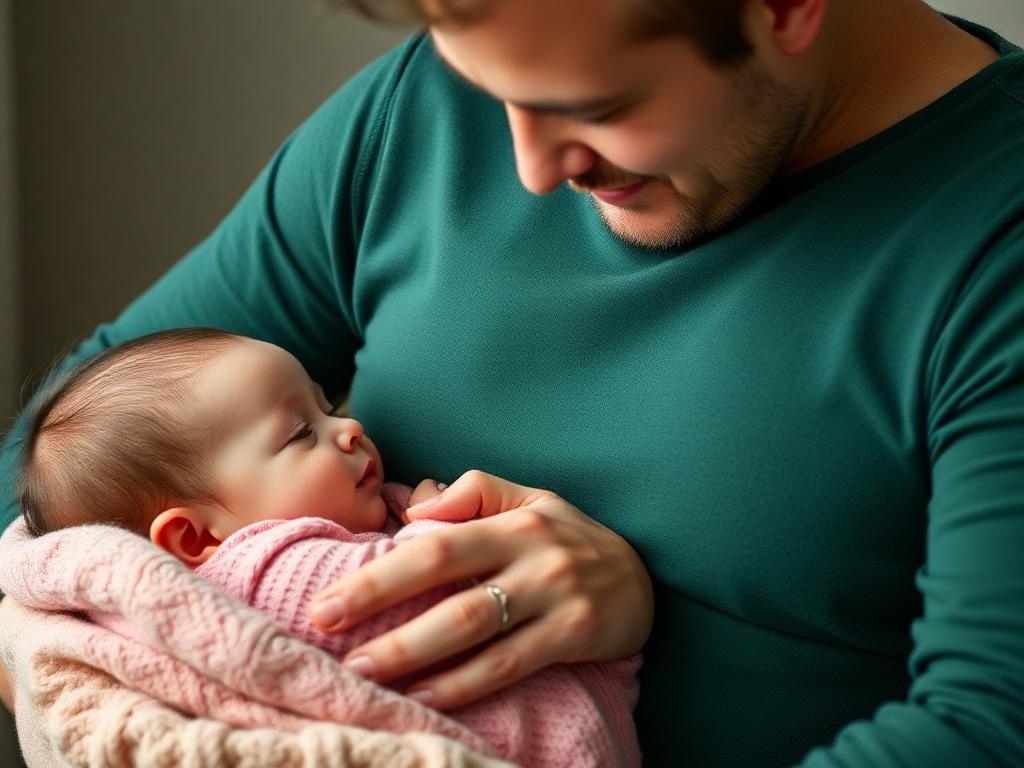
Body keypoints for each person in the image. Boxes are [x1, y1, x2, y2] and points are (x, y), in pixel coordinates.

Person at [2, 0, 1023, 764]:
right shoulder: (425, 108)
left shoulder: (991, 243)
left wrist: (639, 611)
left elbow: (986, 731)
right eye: (495, 94)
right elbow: (56, 468)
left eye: (598, 107)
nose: (532, 171)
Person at [13, 326, 642, 767]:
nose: (348, 427)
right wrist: (439, 529)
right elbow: (397, 603)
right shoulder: (261, 567)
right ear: (195, 537)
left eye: (326, 403)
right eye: (299, 434)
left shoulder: (278, 531)